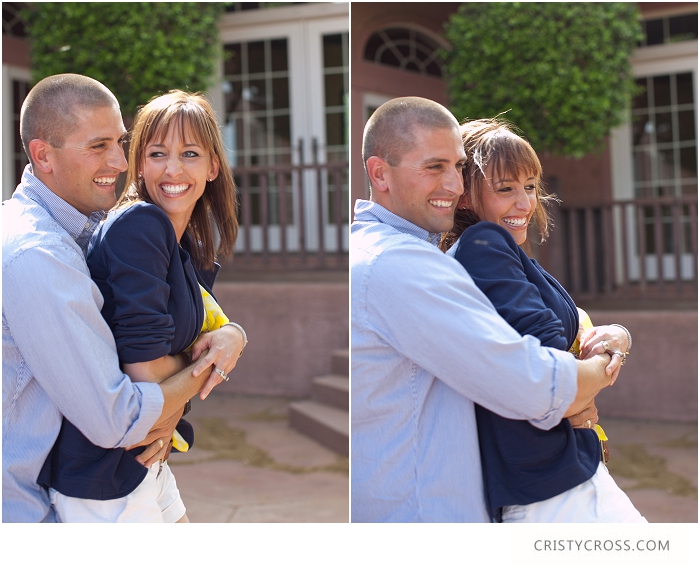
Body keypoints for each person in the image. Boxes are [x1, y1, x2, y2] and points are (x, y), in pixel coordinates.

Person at [351, 96, 619, 522]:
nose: (454, 185)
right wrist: (605, 364)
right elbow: (538, 388)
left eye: (458, 167)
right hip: (437, 516)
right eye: (434, 167)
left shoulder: (415, 256)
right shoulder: (400, 263)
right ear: (379, 173)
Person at [2, 74, 244, 523]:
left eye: (120, 142)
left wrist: (230, 335)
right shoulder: (40, 253)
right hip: (59, 496)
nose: (118, 160)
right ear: (42, 155)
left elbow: (177, 339)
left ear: (213, 166)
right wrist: (212, 362)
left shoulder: (85, 228)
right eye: (98, 146)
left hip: (133, 467)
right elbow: (122, 414)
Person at [441, 118, 645, 522]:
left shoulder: (497, 254)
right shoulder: (485, 245)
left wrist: (618, 338)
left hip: (549, 482)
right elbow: (555, 375)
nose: (525, 203)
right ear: (464, 197)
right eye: (505, 189)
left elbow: (570, 337)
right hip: (553, 487)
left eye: (530, 186)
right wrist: (600, 373)